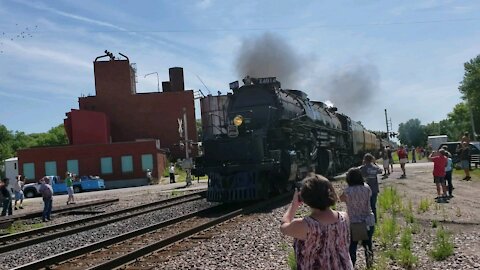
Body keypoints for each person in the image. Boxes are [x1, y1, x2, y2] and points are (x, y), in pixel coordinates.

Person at [280, 175, 353, 269]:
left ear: (305, 198)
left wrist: (294, 205)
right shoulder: (344, 217)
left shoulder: (304, 225)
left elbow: (283, 226)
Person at [340, 168, 376, 268]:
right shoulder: (366, 187)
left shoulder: (347, 190)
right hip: (368, 221)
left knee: (352, 246)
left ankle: (352, 265)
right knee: (368, 245)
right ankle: (370, 265)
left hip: (353, 223)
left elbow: (340, 198)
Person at [360, 153, 382, 223]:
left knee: (365, 206)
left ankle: (366, 220)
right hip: (374, 189)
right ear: (372, 159)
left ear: (364, 160)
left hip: (365, 190)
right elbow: (380, 171)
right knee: (373, 206)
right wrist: (375, 163)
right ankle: (375, 220)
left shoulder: (363, 168)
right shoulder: (375, 167)